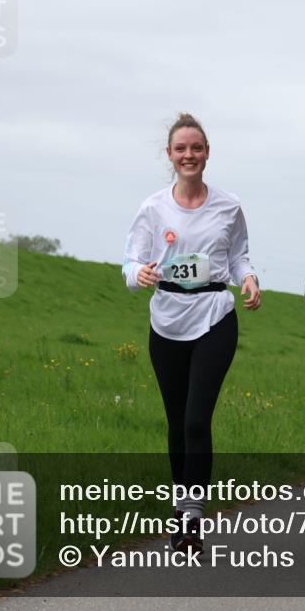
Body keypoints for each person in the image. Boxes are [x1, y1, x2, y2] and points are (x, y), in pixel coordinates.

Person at [122, 113, 262, 553]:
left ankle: (191, 520)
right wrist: (138, 274)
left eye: (196, 148)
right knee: (176, 420)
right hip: (166, 318)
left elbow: (239, 255)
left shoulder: (228, 205)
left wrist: (249, 278)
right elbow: (129, 262)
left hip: (214, 313)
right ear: (170, 156)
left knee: (197, 419)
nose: (189, 155)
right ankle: (180, 502)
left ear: (207, 153)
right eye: (180, 149)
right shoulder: (152, 207)